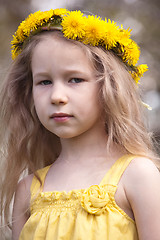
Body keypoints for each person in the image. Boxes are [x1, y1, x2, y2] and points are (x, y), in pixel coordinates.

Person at [0, 8, 160, 240]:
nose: (57, 96)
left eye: (75, 79)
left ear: (109, 88)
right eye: (44, 82)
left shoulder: (137, 175)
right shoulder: (28, 189)